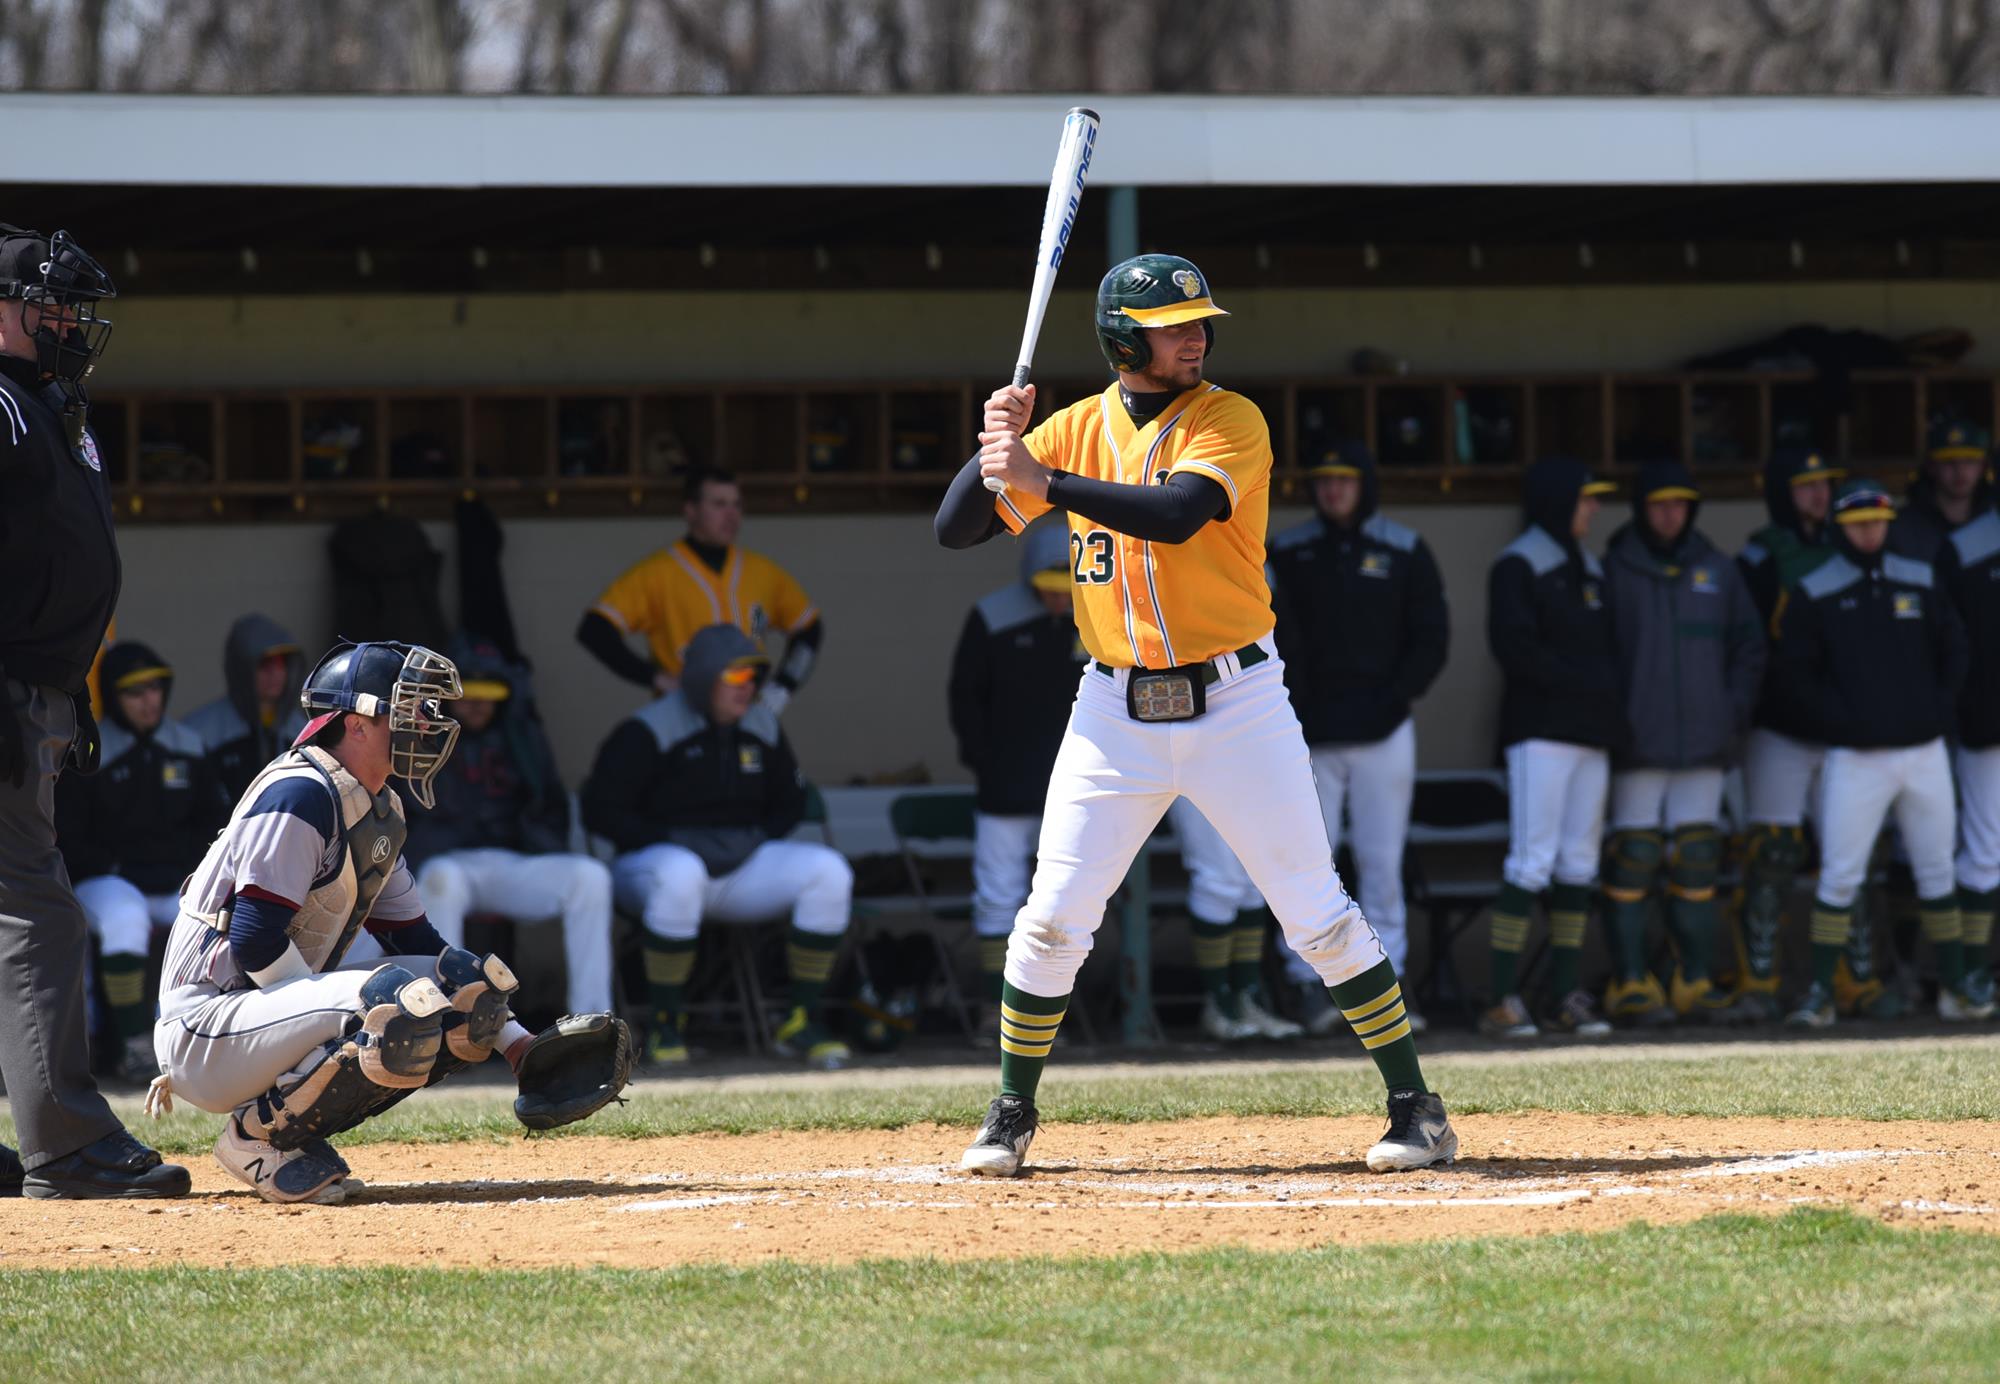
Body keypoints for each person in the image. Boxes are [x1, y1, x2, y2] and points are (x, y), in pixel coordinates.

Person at [935, 252, 1457, 1177]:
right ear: (1122, 339)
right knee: (1053, 914)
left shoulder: (1230, 416)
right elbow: (956, 531)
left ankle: (1416, 1106)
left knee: (1315, 913)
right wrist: (995, 449)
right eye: (1176, 327)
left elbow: (1179, 512)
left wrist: (1041, 481)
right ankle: (1010, 1110)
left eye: (1200, 324)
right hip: (1111, 706)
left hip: (1237, 699)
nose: (1198, 338)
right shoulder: (1073, 429)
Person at [151, 641, 620, 1204]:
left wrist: (513, 1042)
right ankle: (259, 1135)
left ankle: (292, 1125)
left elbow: (419, 942)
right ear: (355, 724)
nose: (426, 725)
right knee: (396, 1002)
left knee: (463, 983)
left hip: (264, 1014)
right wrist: (343, 1025)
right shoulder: (299, 793)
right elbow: (253, 941)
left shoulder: (376, 806)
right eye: (408, 710)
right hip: (207, 1028)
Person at [0, 224, 189, 1199]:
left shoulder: (46, 402)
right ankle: (68, 1145)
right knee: (37, 914)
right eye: (46, 305)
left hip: (37, 695)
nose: (68, 321)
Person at [582, 624, 852, 1070]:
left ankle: (801, 1021)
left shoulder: (762, 725)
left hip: (738, 864)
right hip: (650, 866)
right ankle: (666, 1025)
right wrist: (668, 839)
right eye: (735, 679)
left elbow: (791, 800)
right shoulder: (648, 729)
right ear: (704, 678)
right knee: (680, 871)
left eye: (753, 680)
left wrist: (753, 838)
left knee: (829, 871)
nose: (747, 690)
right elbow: (600, 811)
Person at [1770, 479, 1978, 1028]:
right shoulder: (1816, 589)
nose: (1871, 530)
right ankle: (1819, 992)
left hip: (1924, 750)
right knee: (1839, 875)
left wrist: (1938, 710)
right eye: (1859, 521)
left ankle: (1957, 989)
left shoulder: (1921, 576)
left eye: (1879, 520)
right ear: (1841, 527)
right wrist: (1839, 721)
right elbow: (1795, 674)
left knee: (1937, 873)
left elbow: (1955, 649)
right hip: (1856, 756)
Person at [1265, 439, 1448, 1036]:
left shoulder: (1403, 548)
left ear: (1365, 484)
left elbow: (1431, 637)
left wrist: (1394, 697)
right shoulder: (1288, 551)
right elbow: (1270, 633)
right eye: (1324, 479)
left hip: (1384, 731)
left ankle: (1390, 986)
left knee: (1380, 863)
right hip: (1309, 735)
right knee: (1307, 867)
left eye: (1345, 479)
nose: (1334, 490)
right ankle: (1308, 991)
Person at [1599, 462, 1765, 1026]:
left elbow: (1749, 647)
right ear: (1641, 509)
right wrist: (1614, 721)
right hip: (1637, 745)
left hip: (1705, 744)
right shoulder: (1615, 569)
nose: (1670, 515)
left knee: (1698, 859)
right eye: (1658, 504)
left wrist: (1730, 710)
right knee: (1633, 860)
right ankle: (1631, 983)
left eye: (1680, 504)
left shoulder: (1718, 569)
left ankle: (1693, 980)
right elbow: (1598, 655)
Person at [1483, 458, 1623, 1040]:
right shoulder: (1519, 562)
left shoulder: (1589, 564)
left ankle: (1566, 997)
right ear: (1557, 499)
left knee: (1579, 865)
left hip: (1589, 735)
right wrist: (1585, 684)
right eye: (1585, 498)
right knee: (1531, 861)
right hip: (1540, 733)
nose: (1592, 508)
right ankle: (1500, 1000)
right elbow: (1514, 649)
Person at [403, 641, 614, 1018]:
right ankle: (448, 1022)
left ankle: (593, 1018)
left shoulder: (522, 737)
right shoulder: (422, 739)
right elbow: (407, 819)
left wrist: (530, 835)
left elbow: (551, 805)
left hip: (513, 862)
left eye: (489, 695)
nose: (478, 705)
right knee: (442, 880)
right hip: (448, 863)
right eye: (469, 695)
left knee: (590, 877)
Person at [55, 641, 230, 1082]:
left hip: (174, 881)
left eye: (154, 688)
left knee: (216, 923)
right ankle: (133, 1048)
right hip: (108, 880)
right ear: (113, 696)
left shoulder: (187, 745)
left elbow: (216, 825)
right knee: (124, 917)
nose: (147, 700)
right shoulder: (91, 749)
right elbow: (70, 838)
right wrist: (120, 867)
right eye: (135, 691)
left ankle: (204, 1041)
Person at [946, 518, 1090, 1036]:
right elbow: (965, 700)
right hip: (1005, 790)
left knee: (1067, 904)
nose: (1058, 602)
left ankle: (1051, 1013)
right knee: (997, 895)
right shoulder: (992, 616)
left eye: (1066, 591)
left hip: (1076, 794)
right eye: (1048, 590)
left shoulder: (1099, 619)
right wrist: (987, 761)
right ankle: (994, 1008)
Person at [1731, 447, 1844, 1019]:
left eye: (1824, 483)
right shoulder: (1759, 556)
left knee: (1854, 859)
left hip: (1847, 730)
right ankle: (1760, 981)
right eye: (1804, 486)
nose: (1818, 495)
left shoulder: (1851, 547)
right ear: (1782, 493)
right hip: (1778, 728)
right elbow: (1748, 646)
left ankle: (1853, 981)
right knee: (1772, 854)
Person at [577, 465, 824, 714]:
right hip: (682, 721)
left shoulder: (763, 572)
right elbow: (595, 630)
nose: (731, 515)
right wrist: (656, 678)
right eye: (719, 504)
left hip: (748, 719)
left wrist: (783, 687)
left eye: (737, 505)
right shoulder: (658, 573)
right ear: (690, 511)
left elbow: (809, 627)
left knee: (753, 756)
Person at [1165, 799, 1302, 1041]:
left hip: (1245, 766)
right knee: (1219, 880)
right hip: (1188, 768)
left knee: (1254, 881)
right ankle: (1218, 1002)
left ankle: (1244, 1002)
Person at [1941, 482, 2000, 1007]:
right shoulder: (1966, 546)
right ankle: (1972, 978)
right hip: (1989, 726)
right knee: (1985, 854)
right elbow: (1950, 643)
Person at [184, 614, 306, 800]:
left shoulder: (305, 734)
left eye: (282, 664)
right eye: (265, 664)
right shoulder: (198, 735)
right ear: (242, 669)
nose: (276, 674)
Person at [1890, 418, 1993, 562]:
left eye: (1969, 461)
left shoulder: (1994, 522)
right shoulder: (1903, 527)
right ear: (1931, 466)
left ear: (1982, 467)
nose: (1960, 471)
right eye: (1949, 462)